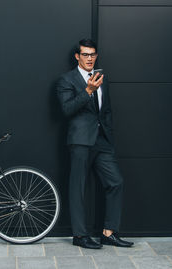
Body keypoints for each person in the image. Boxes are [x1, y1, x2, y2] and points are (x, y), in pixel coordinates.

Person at [56, 38, 133, 249]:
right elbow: (67, 110)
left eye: (92, 55)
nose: (89, 58)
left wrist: (108, 133)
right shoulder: (66, 80)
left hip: (102, 141)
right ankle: (80, 236)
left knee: (116, 182)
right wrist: (88, 90)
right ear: (77, 57)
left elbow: (106, 110)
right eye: (85, 55)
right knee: (78, 188)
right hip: (80, 141)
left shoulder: (102, 78)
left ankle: (109, 232)